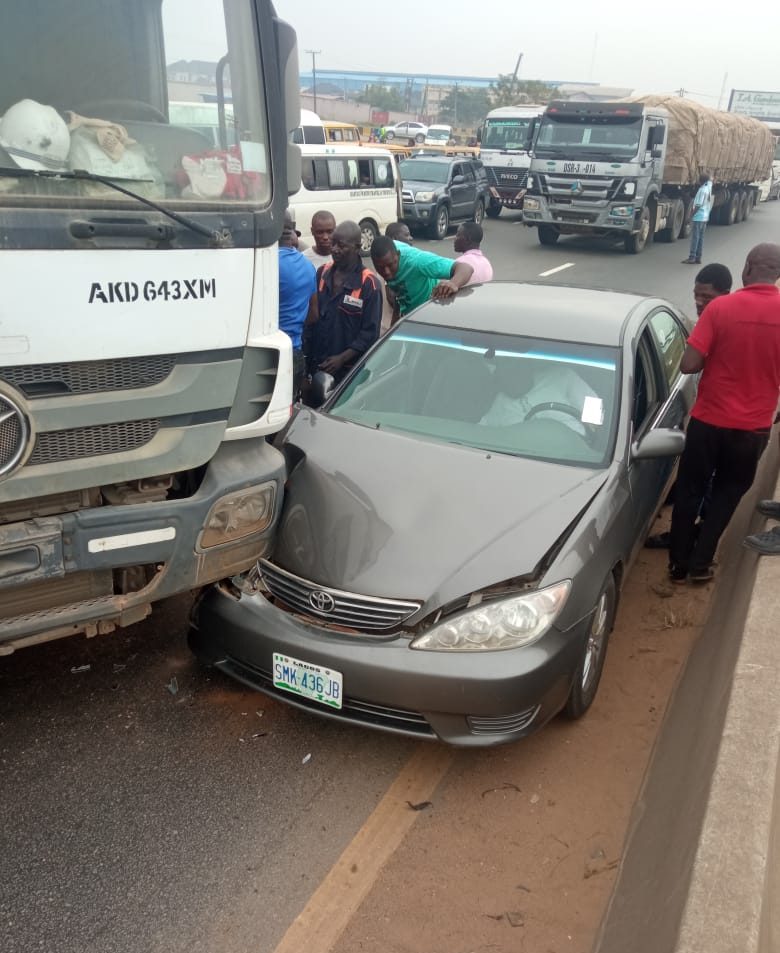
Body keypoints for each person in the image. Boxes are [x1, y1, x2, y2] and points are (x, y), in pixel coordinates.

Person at [668, 244, 780, 583]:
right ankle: (701, 565)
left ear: (747, 269)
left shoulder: (721, 309)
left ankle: (677, 565)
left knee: (689, 490)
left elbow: (689, 364)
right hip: (753, 429)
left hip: (708, 422)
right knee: (727, 494)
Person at [645, 263, 733, 549]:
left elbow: (688, 364)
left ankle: (685, 545)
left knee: (699, 484)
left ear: (725, 294)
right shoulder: (718, 319)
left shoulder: (720, 321)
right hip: (728, 420)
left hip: (718, 420)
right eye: (696, 294)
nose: (698, 301)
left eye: (706, 297)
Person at [305, 220, 382, 383]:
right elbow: (312, 320)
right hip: (317, 366)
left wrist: (341, 359)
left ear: (357, 248)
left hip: (348, 374)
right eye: (333, 243)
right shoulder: (322, 273)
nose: (334, 249)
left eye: (341, 246)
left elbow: (370, 334)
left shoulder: (369, 284)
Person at [479, 358, 597, 438]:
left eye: (513, 370)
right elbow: (481, 432)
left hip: (573, 451)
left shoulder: (562, 376)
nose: (509, 379)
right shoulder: (500, 402)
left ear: (526, 366)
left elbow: (595, 415)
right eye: (501, 377)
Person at [370, 235, 473, 320]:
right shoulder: (384, 257)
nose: (386, 272)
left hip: (430, 312)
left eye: (391, 265)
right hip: (408, 315)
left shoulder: (417, 261)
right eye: (380, 267)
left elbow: (466, 268)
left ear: (398, 255)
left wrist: (453, 283)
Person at [278, 209, 317, 398]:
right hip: (296, 353)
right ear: (292, 229)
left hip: (269, 356)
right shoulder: (308, 266)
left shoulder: (267, 264)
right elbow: (313, 315)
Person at [682, 173, 713, 265]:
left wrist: (690, 216)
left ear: (701, 181)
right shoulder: (708, 187)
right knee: (701, 238)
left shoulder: (702, 190)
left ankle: (692, 257)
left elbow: (698, 205)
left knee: (695, 237)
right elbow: (711, 180)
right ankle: (698, 257)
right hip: (705, 217)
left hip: (699, 217)